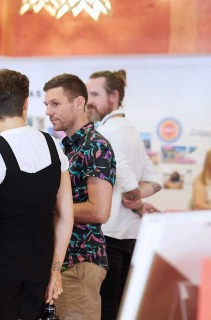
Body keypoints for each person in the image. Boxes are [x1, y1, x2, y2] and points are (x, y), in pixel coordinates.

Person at [0, 69, 74, 320]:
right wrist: (55, 270)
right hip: (39, 267)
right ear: (25, 103)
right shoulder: (53, 146)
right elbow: (66, 215)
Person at [86, 69, 162, 320]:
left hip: (110, 234)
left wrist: (135, 199)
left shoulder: (107, 132)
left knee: (107, 308)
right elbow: (155, 181)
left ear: (114, 96)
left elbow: (123, 173)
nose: (89, 101)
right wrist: (138, 199)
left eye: (95, 94)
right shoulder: (128, 127)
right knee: (120, 307)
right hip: (130, 234)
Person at [43, 73, 116, 320]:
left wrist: (50, 209)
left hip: (81, 262)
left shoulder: (96, 146)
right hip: (64, 262)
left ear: (78, 103)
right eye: (46, 105)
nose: (48, 111)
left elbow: (99, 210)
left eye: (55, 104)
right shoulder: (69, 147)